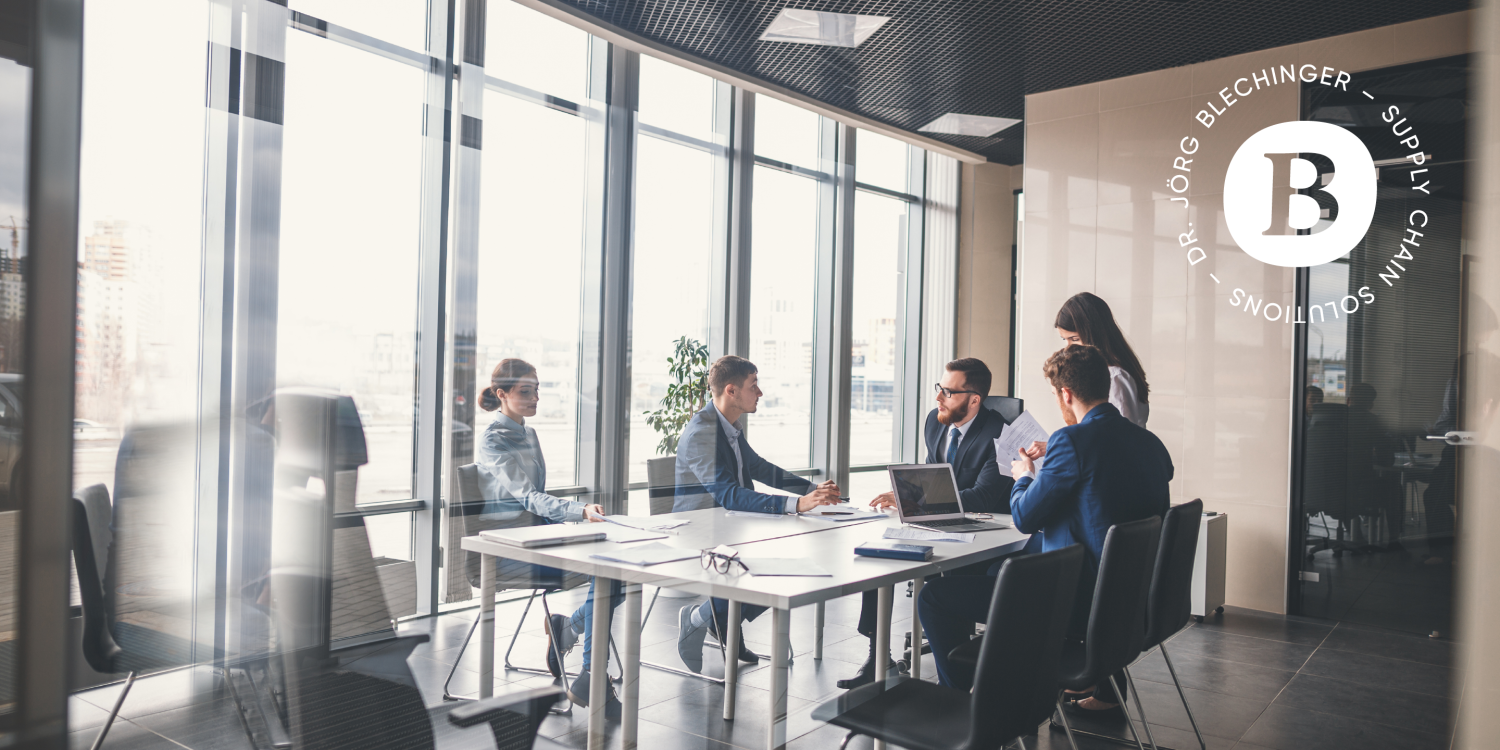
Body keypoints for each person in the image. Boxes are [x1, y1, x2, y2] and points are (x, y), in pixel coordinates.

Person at [916, 345, 1172, 719]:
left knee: (934, 598)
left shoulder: (1070, 441)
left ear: (1066, 394)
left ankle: (959, 705)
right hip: (1128, 602)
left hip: (1071, 603)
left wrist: (1023, 477)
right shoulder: (1151, 443)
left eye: (1056, 395)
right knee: (993, 572)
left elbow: (1023, 516)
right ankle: (993, 690)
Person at [841, 358, 1013, 688]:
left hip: (985, 534)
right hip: (939, 522)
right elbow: (934, 479)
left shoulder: (999, 435)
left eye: (948, 392)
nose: (939, 399)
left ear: (974, 399)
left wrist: (917, 500)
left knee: (942, 589)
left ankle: (959, 675)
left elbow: (982, 497)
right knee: (882, 554)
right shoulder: (935, 423)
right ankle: (878, 657)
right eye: (940, 389)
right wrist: (905, 494)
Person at [674, 355, 842, 672]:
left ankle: (718, 619)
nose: (760, 393)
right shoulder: (702, 434)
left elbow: (759, 468)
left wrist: (812, 490)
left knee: (786, 565)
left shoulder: (729, 428)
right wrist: (795, 505)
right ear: (731, 390)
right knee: (773, 568)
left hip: (732, 527)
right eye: (754, 385)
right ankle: (701, 618)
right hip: (701, 533)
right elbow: (727, 494)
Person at [474, 358, 618, 715]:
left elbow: (537, 501)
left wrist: (577, 518)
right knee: (607, 573)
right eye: (526, 391)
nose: (535, 397)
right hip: (509, 548)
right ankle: (589, 673)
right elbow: (527, 497)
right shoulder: (493, 439)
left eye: (537, 389)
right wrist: (579, 512)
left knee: (616, 569)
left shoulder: (529, 432)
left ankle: (567, 631)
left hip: (539, 537)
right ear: (501, 394)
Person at [1053, 292, 1151, 427]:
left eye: (1075, 339)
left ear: (1094, 334)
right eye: (1065, 340)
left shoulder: (1115, 377)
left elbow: (1119, 439)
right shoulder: (1106, 373)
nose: (1068, 348)